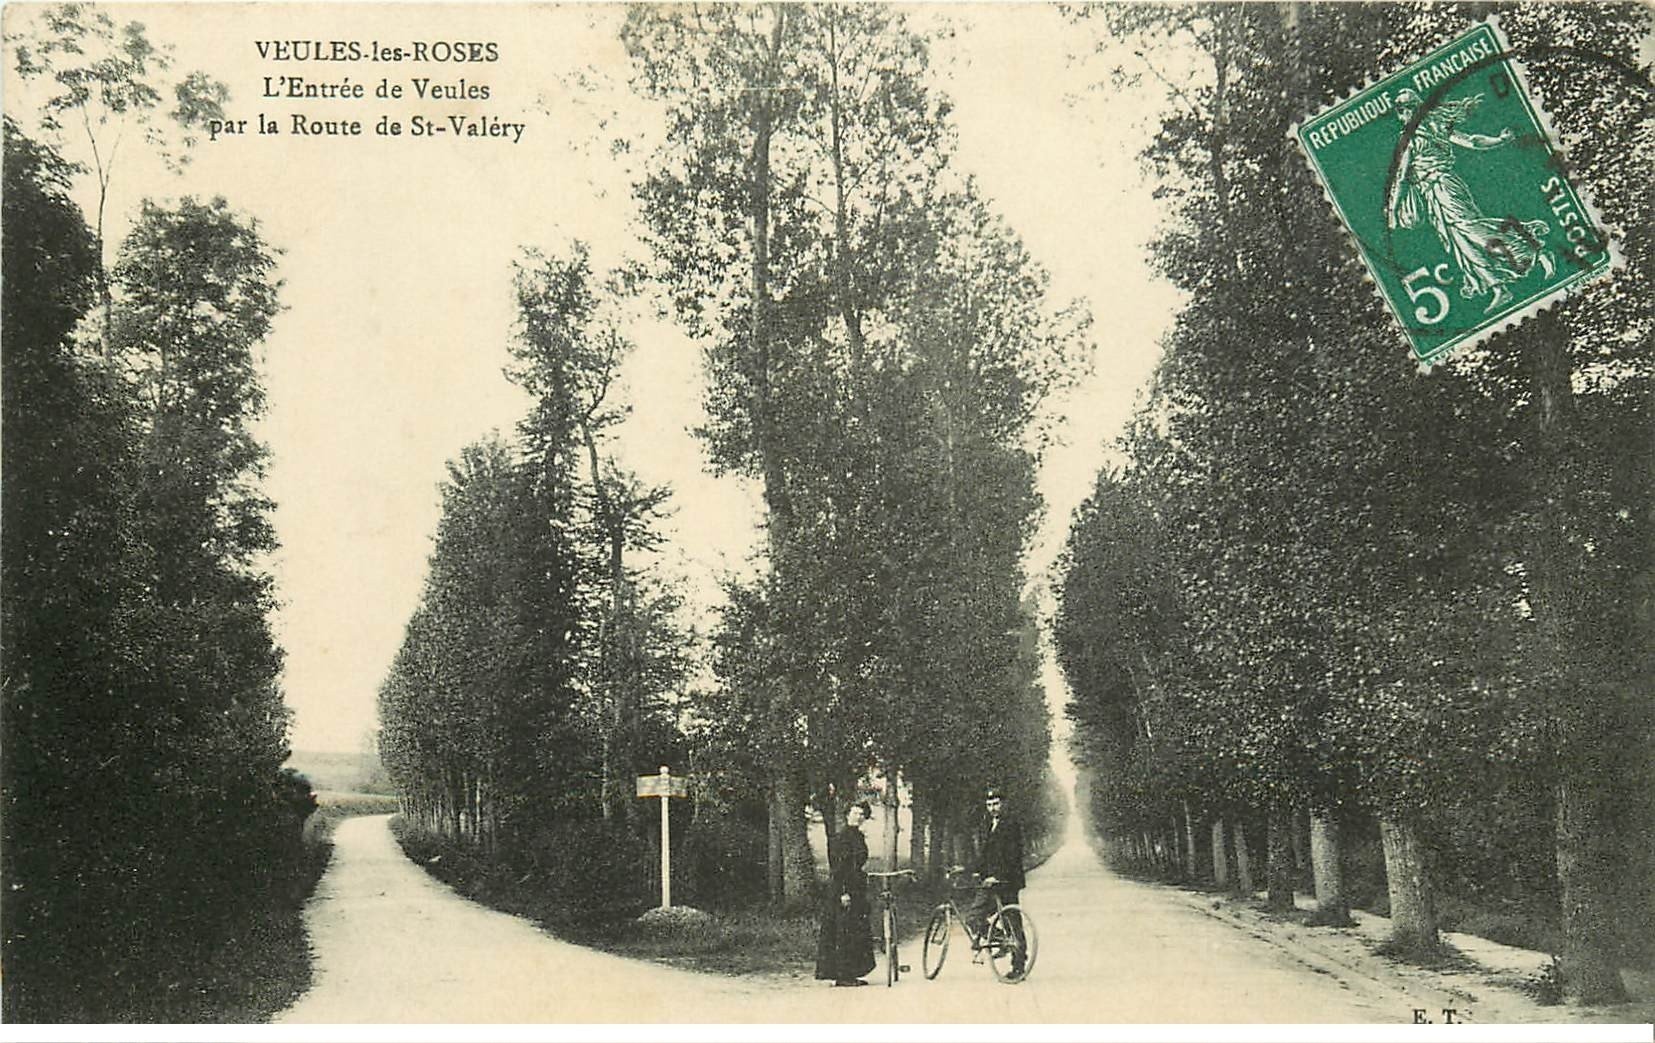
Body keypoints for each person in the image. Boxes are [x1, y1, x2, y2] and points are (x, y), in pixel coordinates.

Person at [1385, 88, 1555, 313]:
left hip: (1443, 187)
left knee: (1471, 229)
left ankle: (1532, 251)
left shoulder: (1413, 137)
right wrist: (1499, 140)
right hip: (1434, 193)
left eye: (1405, 110)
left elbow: (1401, 177)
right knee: (1459, 240)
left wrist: (1392, 210)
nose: (1403, 115)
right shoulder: (1436, 126)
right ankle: (1498, 287)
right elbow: (1473, 141)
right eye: (1400, 111)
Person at [814, 800, 876, 986]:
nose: (858, 817)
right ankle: (843, 976)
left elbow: (857, 864)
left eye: (862, 814)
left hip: (856, 888)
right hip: (843, 888)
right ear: (848, 815)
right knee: (843, 930)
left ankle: (851, 974)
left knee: (855, 930)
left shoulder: (858, 836)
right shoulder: (841, 838)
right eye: (855, 813)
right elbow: (838, 869)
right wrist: (843, 892)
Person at [967, 786, 1027, 977]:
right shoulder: (988, 824)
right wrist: (971, 870)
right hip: (990, 882)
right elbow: (985, 855)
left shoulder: (1011, 824)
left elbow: (1013, 855)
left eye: (996, 804)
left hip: (1007, 882)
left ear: (1003, 804)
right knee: (974, 918)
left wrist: (998, 876)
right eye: (989, 805)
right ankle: (1001, 940)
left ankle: (1018, 965)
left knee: (1012, 922)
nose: (993, 808)